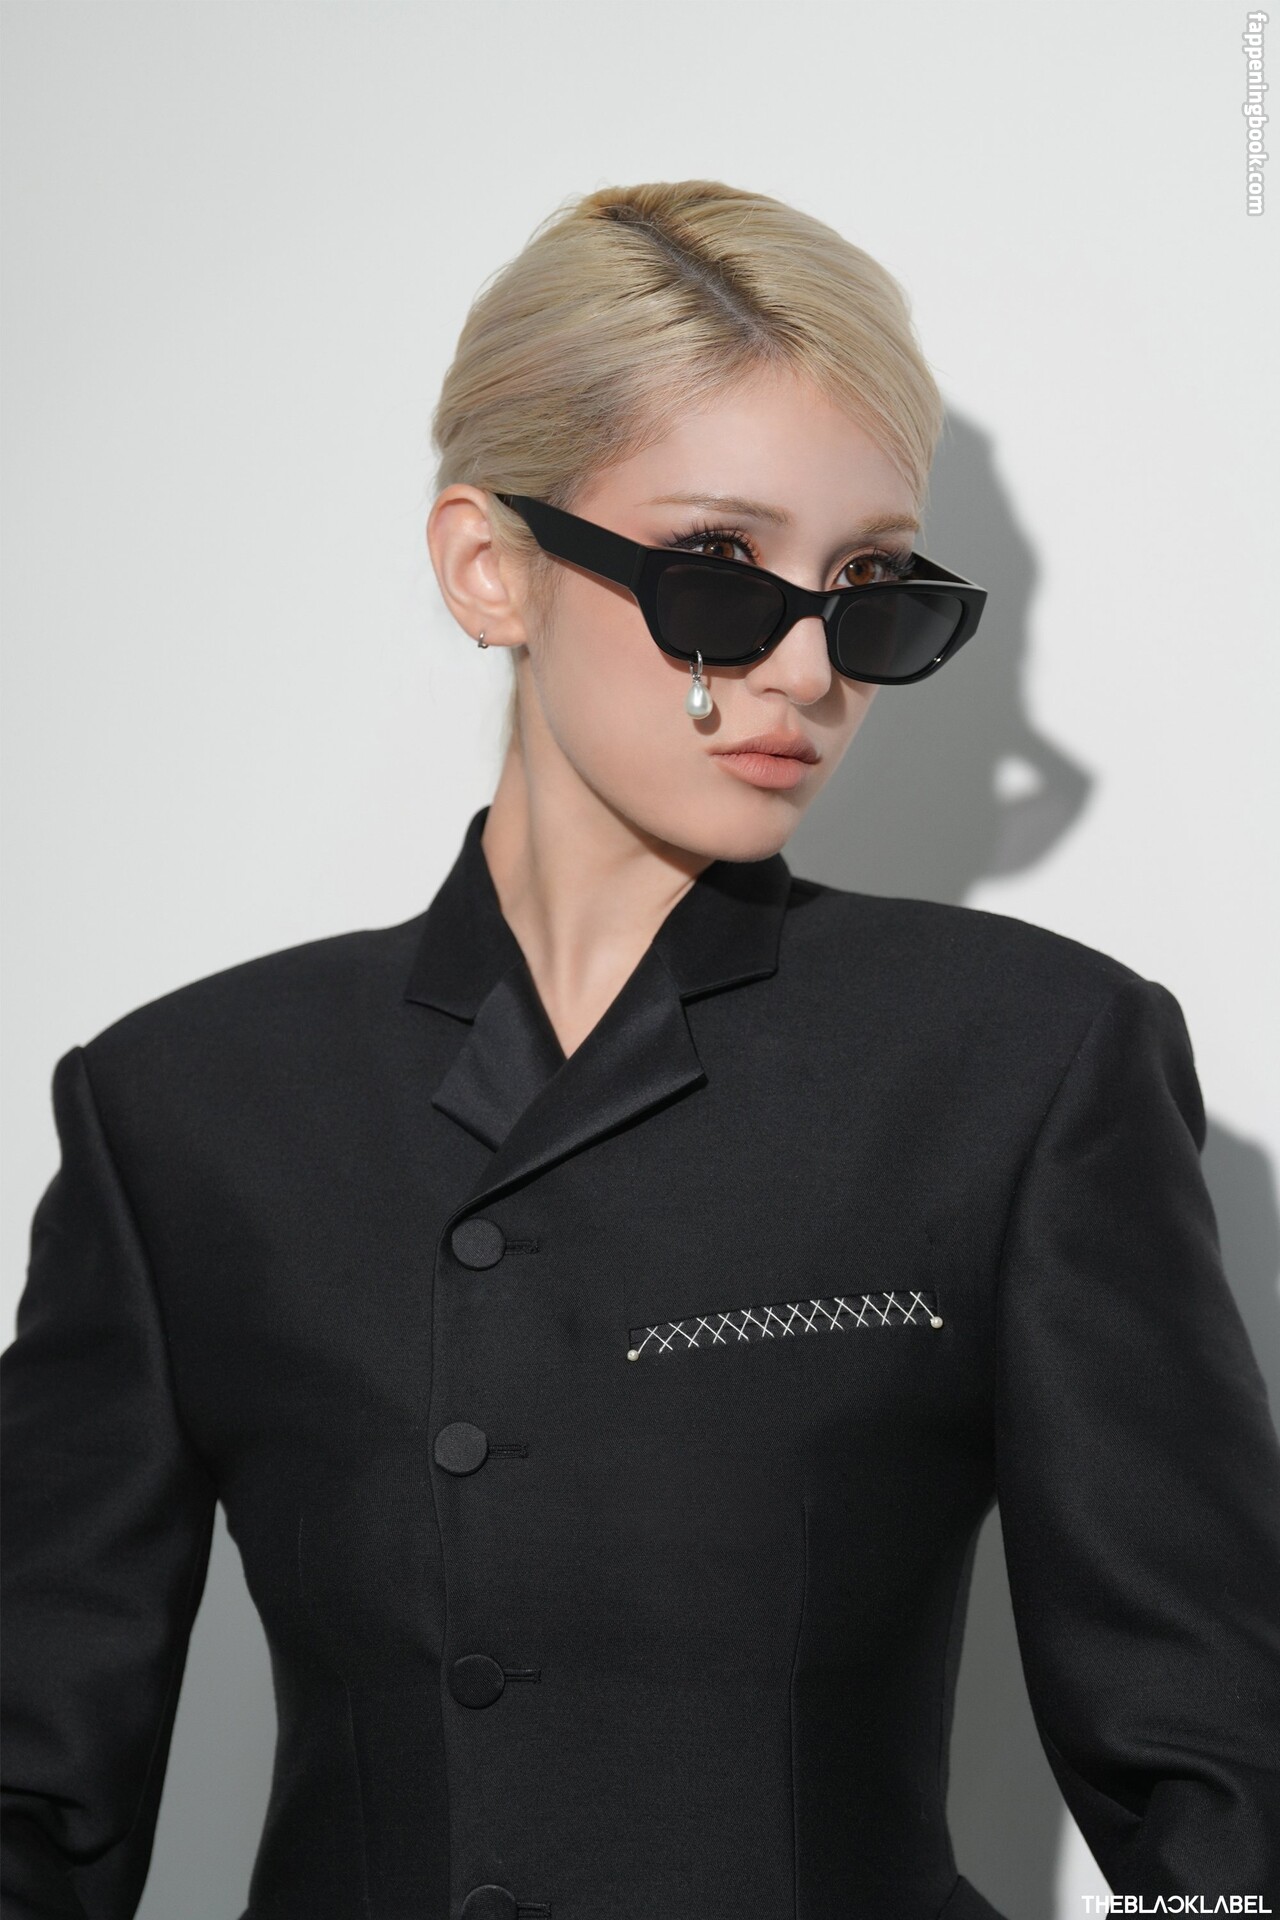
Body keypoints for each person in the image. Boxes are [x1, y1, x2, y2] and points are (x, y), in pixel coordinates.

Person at [3, 178, 1279, 1920]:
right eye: (718, 575)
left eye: (868, 585)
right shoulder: (187, 1105)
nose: (809, 671)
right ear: (492, 567)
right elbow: (31, 1793)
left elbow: (1222, 1786)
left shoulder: (1026, 1064)